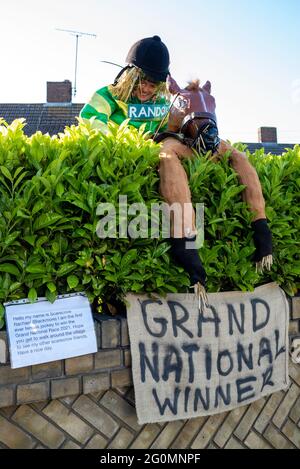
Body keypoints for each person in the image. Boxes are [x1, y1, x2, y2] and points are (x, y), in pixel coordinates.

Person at [80, 35, 171, 136]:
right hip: (114, 150)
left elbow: (167, 132)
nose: (145, 89)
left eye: (152, 86)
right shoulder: (110, 95)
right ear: (130, 77)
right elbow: (90, 119)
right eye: (142, 82)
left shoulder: (162, 105)